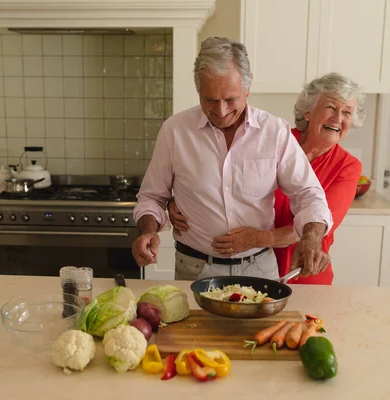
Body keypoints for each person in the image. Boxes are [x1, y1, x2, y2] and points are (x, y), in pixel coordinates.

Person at [132, 36, 334, 281]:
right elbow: (152, 196)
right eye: (210, 100)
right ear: (198, 91)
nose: (221, 110)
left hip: (259, 268)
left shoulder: (275, 132)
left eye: (230, 99)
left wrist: (312, 239)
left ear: (247, 89)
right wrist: (147, 231)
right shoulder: (175, 131)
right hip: (195, 269)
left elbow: (309, 194)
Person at [168, 72, 366, 284]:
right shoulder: (274, 138)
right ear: (307, 111)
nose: (338, 118)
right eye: (331, 107)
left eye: (347, 112)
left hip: (301, 271)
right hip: (254, 267)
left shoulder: (348, 167)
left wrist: (256, 239)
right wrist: (182, 202)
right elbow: (224, 183)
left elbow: (316, 222)